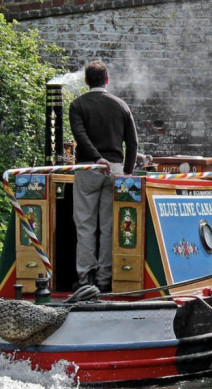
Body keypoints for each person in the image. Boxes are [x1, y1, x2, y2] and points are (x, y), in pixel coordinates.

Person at [69, 60, 138, 292]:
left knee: (85, 226)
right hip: (116, 171)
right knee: (109, 227)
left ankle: (85, 279)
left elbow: (80, 136)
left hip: (88, 169)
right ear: (107, 80)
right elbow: (133, 142)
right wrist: (127, 172)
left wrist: (97, 158)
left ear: (86, 81)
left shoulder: (77, 105)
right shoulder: (121, 105)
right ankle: (104, 278)